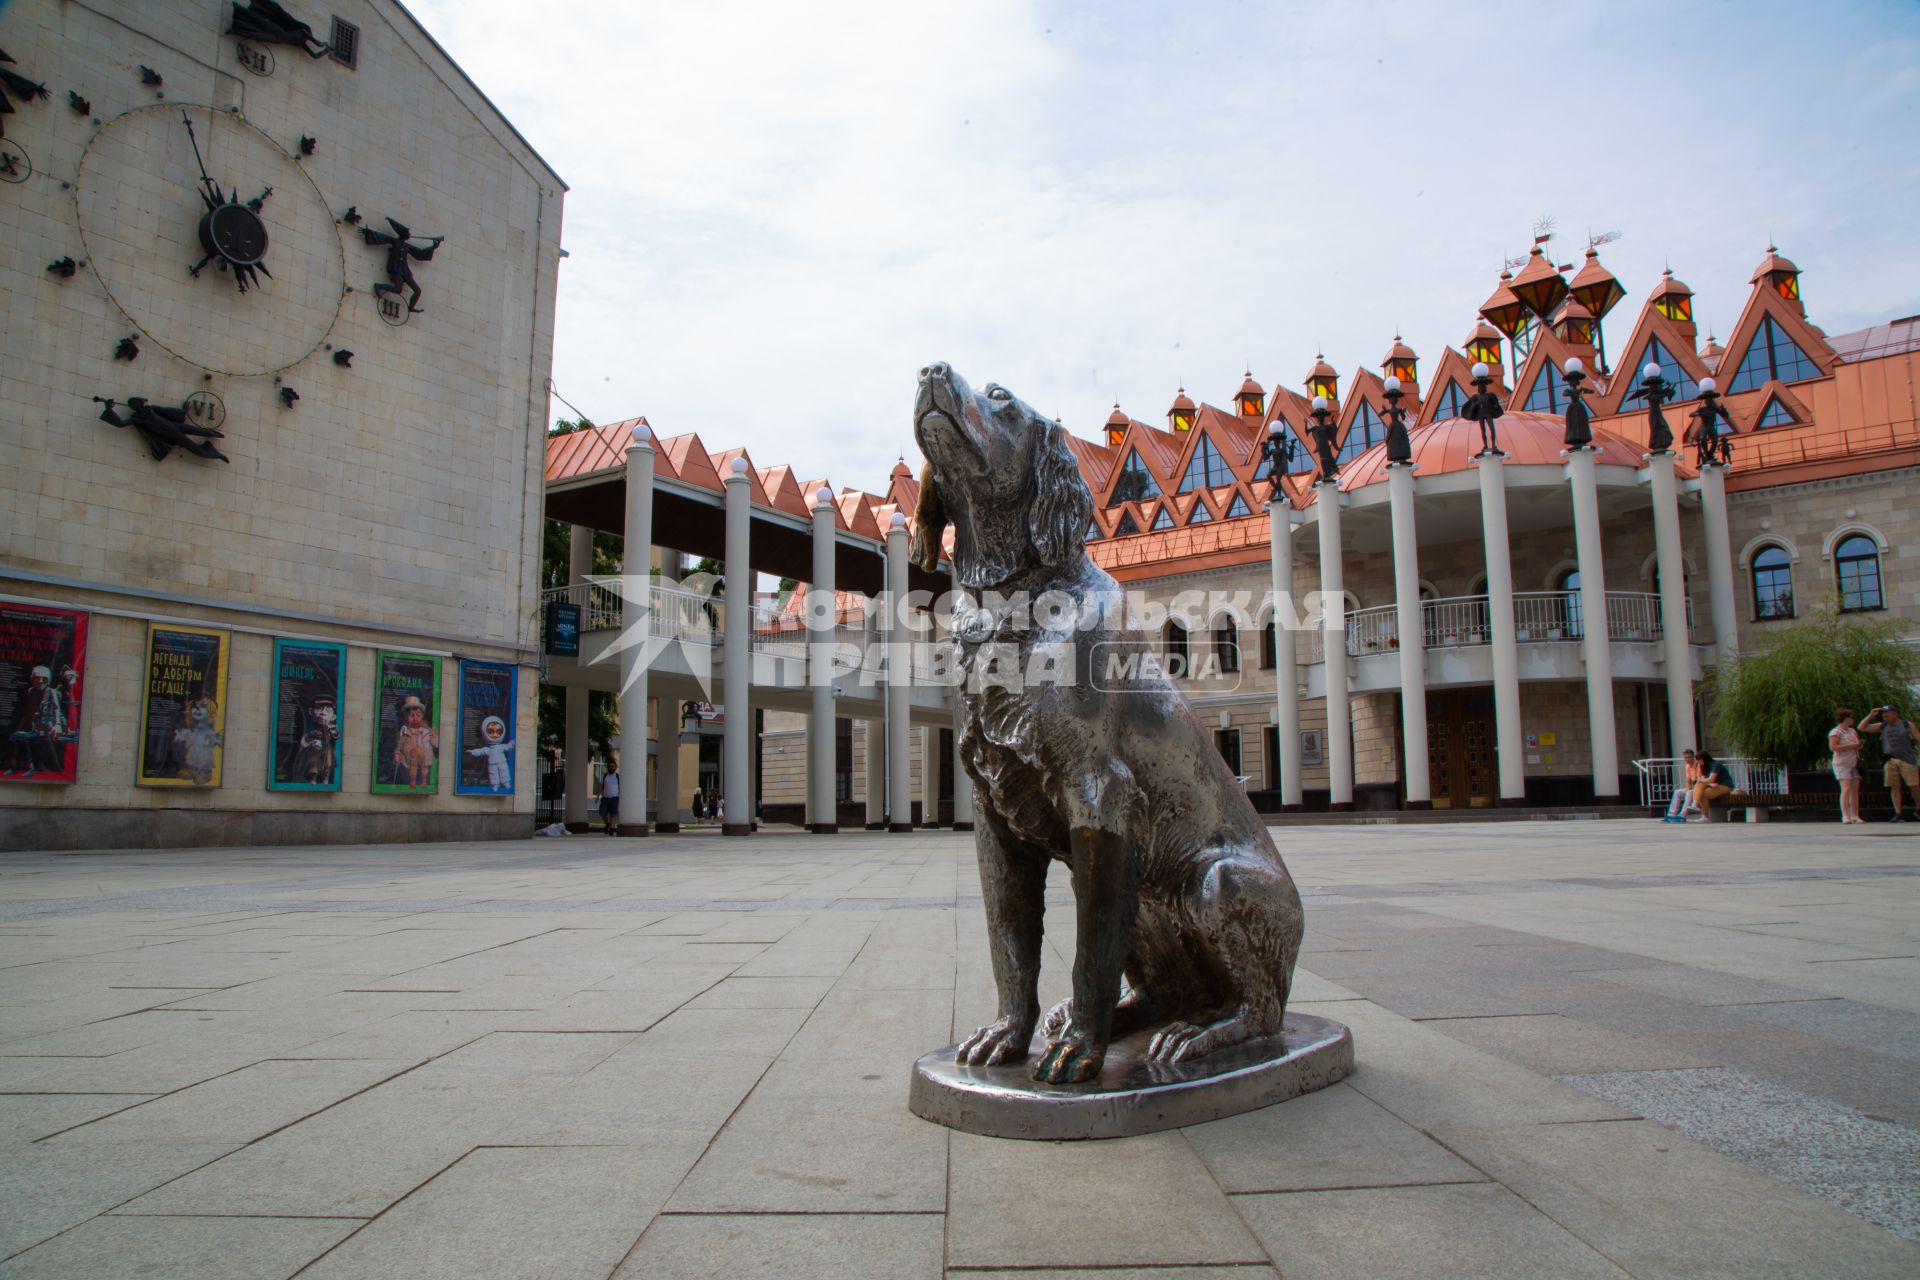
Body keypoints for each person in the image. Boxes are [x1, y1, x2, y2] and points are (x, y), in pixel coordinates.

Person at [1862, 704, 1917, 823]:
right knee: (1894, 786)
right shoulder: (1883, 726)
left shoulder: (1906, 724)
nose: (1886, 717)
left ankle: (1918, 808)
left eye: (1888, 715)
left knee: (1914, 785)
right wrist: (1871, 715)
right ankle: (1898, 812)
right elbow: (1862, 727)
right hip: (1889, 759)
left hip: (1907, 759)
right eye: (1884, 715)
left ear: (1895, 714)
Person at [1829, 708, 1863, 824]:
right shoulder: (1835, 732)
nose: (1852, 719)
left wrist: (1859, 745)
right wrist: (1850, 745)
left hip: (1853, 762)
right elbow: (1833, 747)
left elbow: (1856, 745)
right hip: (1841, 763)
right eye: (1851, 717)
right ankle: (1845, 815)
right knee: (1846, 788)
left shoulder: (1852, 731)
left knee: (1855, 789)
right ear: (1846, 718)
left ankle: (1855, 815)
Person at [1688, 750, 1734, 822]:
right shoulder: (1704, 767)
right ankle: (1695, 804)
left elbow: (1711, 779)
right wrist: (1708, 783)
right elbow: (1705, 779)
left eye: (1699, 760)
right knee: (1699, 785)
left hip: (1725, 786)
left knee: (1704, 793)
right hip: (1714, 786)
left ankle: (1704, 815)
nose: (1698, 762)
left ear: (1703, 759)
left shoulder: (1716, 765)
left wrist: (1706, 781)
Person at [1662, 749, 1702, 822]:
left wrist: (1689, 791)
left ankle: (1682, 816)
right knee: (1678, 792)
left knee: (1689, 793)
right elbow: (1689, 781)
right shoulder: (1687, 766)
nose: (1687, 759)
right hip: (1694, 788)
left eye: (1689, 757)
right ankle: (1671, 815)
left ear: (1693, 757)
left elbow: (1699, 781)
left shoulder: (1698, 765)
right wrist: (1688, 789)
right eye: (1685, 757)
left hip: (1700, 788)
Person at [599, 765, 620, 835]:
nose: (611, 768)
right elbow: (601, 786)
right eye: (610, 767)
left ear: (615, 768)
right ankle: (607, 823)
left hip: (614, 798)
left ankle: (611, 829)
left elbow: (620, 787)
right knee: (602, 813)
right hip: (605, 797)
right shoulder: (605, 776)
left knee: (613, 814)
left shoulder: (617, 776)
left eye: (613, 767)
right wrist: (597, 796)